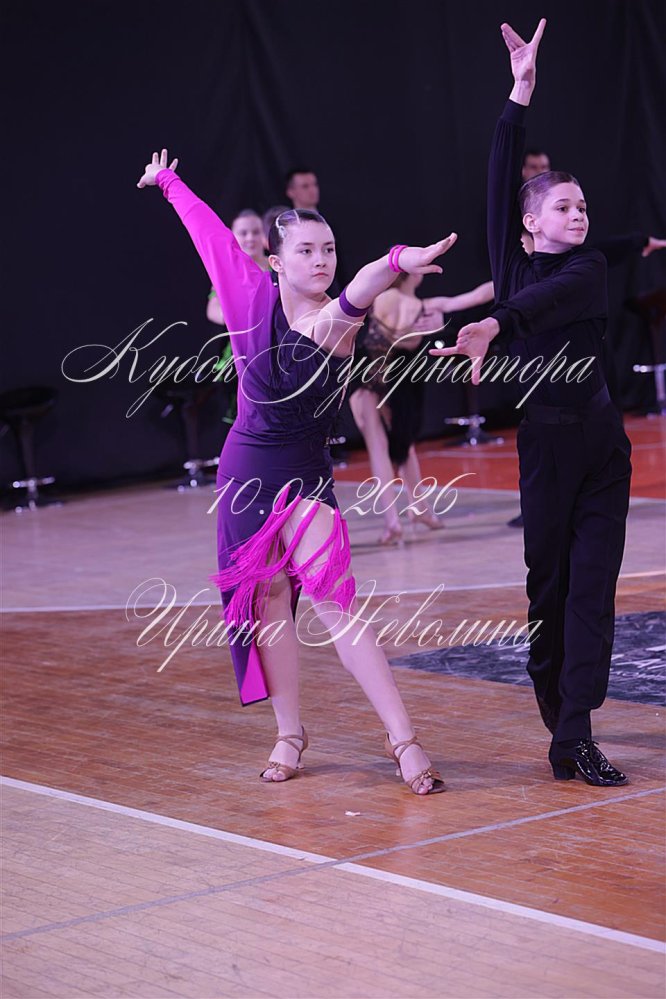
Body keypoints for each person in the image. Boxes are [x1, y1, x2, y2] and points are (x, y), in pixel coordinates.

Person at [138, 149, 456, 794]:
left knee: (337, 601)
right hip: (245, 470)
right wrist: (168, 182)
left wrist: (400, 260)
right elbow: (209, 236)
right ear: (276, 260)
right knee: (269, 602)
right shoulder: (248, 293)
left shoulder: (334, 318)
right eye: (307, 250)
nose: (321, 260)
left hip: (305, 474)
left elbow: (363, 285)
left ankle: (403, 738)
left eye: (328, 249)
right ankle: (289, 733)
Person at [431, 19, 631, 787]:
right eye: (564, 207)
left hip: (601, 445)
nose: (578, 216)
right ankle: (558, 712)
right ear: (529, 220)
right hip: (546, 446)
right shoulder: (513, 264)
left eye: (582, 207)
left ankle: (575, 729)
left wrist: (493, 323)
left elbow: (536, 307)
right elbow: (499, 175)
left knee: (592, 589)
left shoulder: (586, 271)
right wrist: (519, 94)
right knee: (547, 587)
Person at [350, 273, 494, 544]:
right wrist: (510, 276)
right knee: (397, 446)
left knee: (386, 446)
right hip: (392, 377)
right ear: (410, 273)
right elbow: (476, 296)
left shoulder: (382, 297)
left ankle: (403, 516)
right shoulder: (424, 307)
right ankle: (412, 512)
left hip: (371, 374)